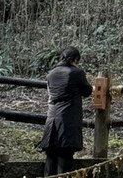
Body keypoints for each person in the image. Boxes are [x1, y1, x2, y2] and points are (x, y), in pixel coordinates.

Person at [39, 46, 93, 176]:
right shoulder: (75, 73)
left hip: (51, 119)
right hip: (67, 120)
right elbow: (87, 91)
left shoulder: (51, 74)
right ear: (75, 59)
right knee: (65, 159)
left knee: (51, 157)